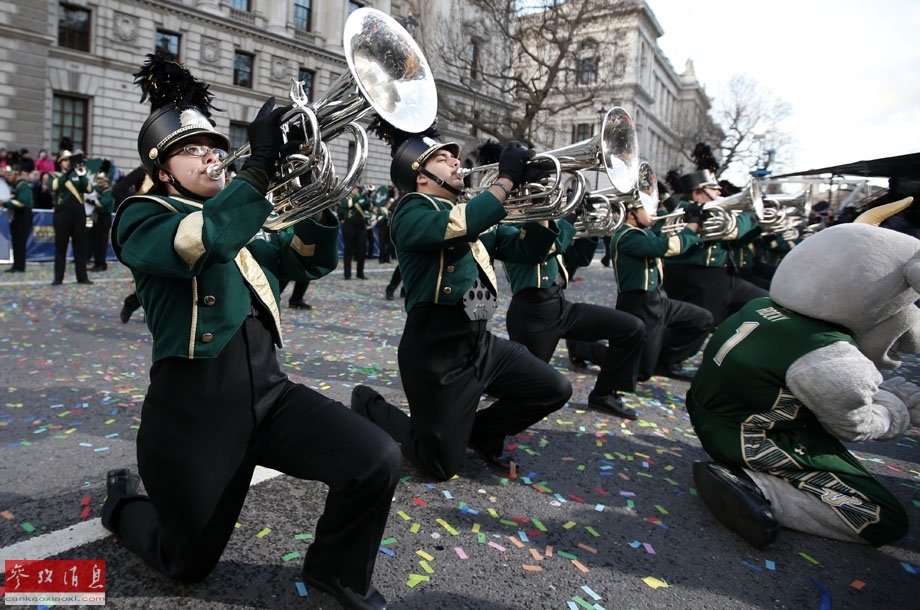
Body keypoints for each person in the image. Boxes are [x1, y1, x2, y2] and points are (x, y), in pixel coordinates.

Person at [102, 54, 399, 610]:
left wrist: (314, 186)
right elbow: (203, 241)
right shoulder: (142, 216)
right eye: (194, 149)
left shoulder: (247, 218)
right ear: (163, 168)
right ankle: (122, 507)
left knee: (376, 458)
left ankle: (338, 571)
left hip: (270, 394)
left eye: (218, 147)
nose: (213, 157)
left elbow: (308, 260)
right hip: (195, 413)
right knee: (185, 563)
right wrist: (259, 166)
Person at [687, 200, 918, 549]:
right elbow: (854, 426)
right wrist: (897, 409)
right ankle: (758, 488)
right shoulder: (830, 357)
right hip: (754, 439)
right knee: (882, 517)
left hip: (715, 416)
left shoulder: (760, 305)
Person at [351, 125, 572, 481]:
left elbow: (530, 250)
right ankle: (368, 403)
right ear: (420, 177)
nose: (456, 162)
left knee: (554, 389)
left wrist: (535, 199)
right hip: (437, 351)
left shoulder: (474, 212)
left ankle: (482, 431)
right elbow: (460, 224)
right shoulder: (411, 210)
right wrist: (507, 179)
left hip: (480, 340)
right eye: (442, 159)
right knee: (438, 465)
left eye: (454, 156)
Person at [504, 216, 645, 420]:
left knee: (631, 328)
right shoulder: (509, 226)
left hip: (561, 306)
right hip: (532, 315)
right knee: (521, 387)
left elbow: (579, 257)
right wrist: (566, 221)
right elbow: (540, 248)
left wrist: (591, 228)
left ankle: (604, 394)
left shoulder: (546, 223)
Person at [607, 192, 712, 382]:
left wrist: (687, 218)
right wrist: (692, 224)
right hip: (639, 303)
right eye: (648, 210)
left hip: (656, 300)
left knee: (702, 319)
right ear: (631, 213)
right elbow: (667, 247)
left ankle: (666, 360)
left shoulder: (644, 232)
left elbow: (664, 235)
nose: (654, 215)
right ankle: (584, 348)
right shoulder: (627, 236)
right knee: (642, 369)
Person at [661, 169, 767, 328]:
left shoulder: (712, 211)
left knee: (764, 303)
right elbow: (733, 230)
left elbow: (734, 241)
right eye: (712, 189)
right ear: (697, 194)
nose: (719, 191)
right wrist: (749, 216)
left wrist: (756, 225)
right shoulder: (691, 211)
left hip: (722, 276)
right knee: (695, 329)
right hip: (699, 277)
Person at [113, 165, 152, 324]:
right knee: (149, 273)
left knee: (158, 274)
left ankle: (147, 311)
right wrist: (134, 210)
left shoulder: (174, 171)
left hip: (167, 224)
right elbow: (118, 190)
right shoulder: (143, 171)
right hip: (145, 228)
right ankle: (133, 304)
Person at [50, 150, 93, 285]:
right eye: (65, 160)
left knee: (80, 246)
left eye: (70, 160)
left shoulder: (77, 175)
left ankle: (82, 277)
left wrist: (82, 174)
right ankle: (58, 278)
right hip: (62, 214)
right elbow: (54, 186)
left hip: (78, 214)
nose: (68, 162)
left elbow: (88, 189)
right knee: (60, 247)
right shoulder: (54, 175)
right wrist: (68, 173)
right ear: (60, 162)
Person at [4, 166, 34, 273]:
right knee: (16, 241)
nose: (8, 177)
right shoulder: (15, 186)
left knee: (20, 241)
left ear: (16, 174)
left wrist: (5, 203)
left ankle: (20, 265)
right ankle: (16, 264)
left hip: (23, 215)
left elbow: (22, 202)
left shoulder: (23, 185)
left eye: (9, 175)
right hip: (17, 216)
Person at [87, 171, 114, 272]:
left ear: (106, 181)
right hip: (97, 218)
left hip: (104, 218)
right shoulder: (99, 191)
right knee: (96, 242)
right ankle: (96, 262)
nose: (99, 182)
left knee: (102, 243)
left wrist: (88, 200)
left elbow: (101, 204)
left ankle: (101, 264)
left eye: (101, 180)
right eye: (98, 180)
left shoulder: (108, 192)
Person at [339, 185, 368, 280]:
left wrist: (366, 196)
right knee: (348, 250)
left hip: (361, 226)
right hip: (349, 226)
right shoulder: (346, 197)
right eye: (354, 188)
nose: (356, 190)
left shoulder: (360, 197)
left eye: (357, 189)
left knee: (362, 250)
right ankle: (347, 274)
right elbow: (346, 205)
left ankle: (360, 273)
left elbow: (368, 206)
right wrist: (359, 197)